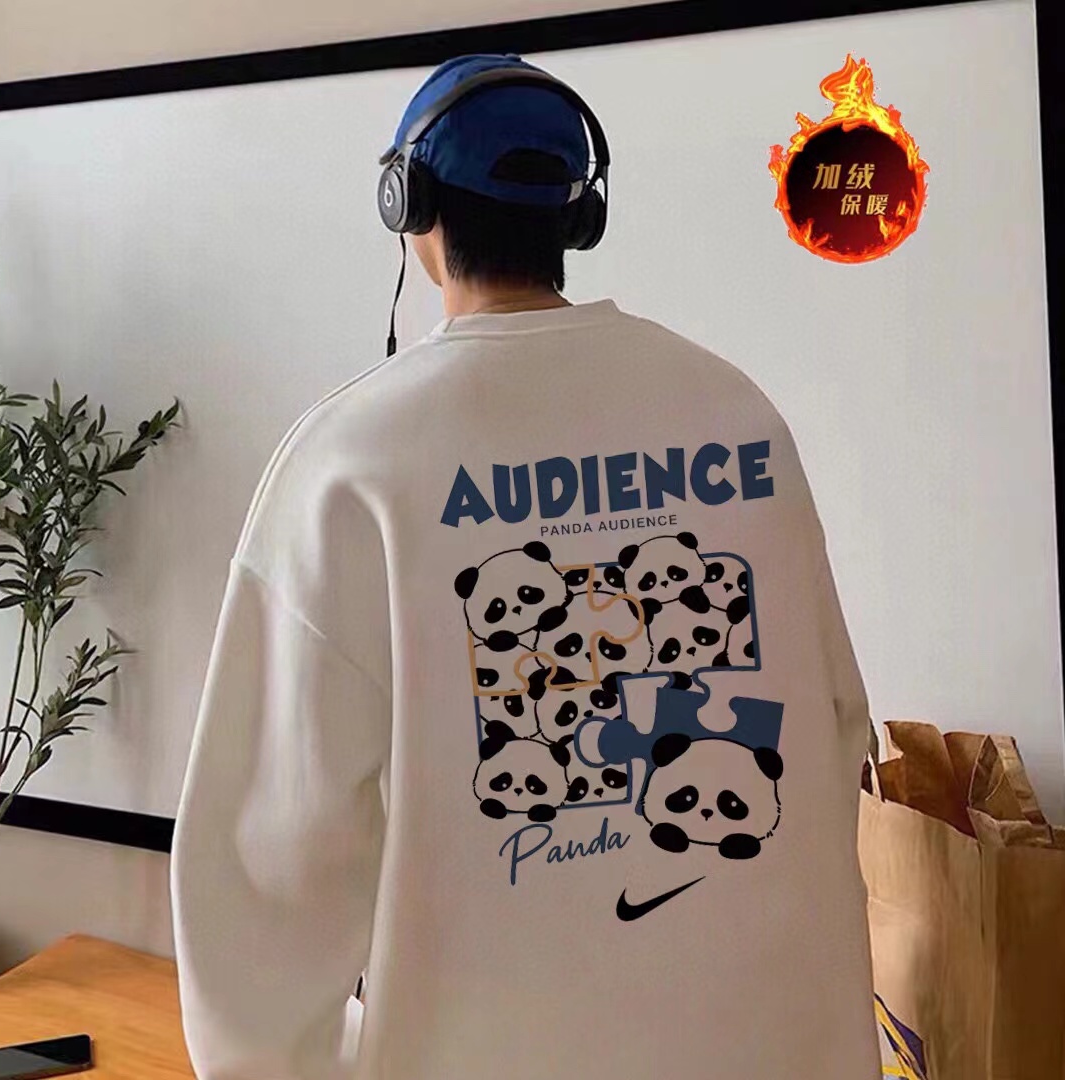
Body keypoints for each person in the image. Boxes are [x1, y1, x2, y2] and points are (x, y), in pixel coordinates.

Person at [171, 52, 881, 1080]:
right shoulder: (737, 416)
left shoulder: (353, 459)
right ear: (576, 218)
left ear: (410, 210)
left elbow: (268, 857)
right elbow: (836, 726)